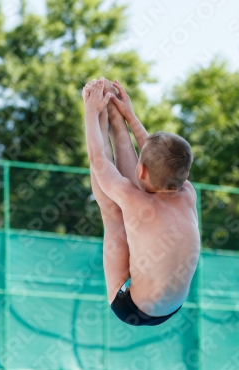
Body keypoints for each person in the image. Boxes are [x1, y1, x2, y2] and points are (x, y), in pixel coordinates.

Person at [82, 77, 200, 327]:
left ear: (141, 170)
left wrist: (92, 115)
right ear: (185, 175)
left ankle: (108, 120)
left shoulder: (134, 199)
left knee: (114, 214)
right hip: (173, 306)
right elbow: (161, 158)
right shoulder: (188, 193)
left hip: (130, 306)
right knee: (134, 204)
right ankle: (116, 118)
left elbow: (99, 159)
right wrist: (130, 116)